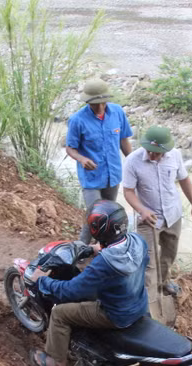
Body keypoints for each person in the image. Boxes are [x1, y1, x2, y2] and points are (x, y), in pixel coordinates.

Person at [27, 200, 148, 366]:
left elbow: (71, 291)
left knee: (60, 314)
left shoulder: (104, 264)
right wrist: (102, 249)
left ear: (98, 230)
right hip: (139, 304)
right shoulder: (138, 241)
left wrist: (42, 281)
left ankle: (56, 362)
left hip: (115, 314)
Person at [123, 125, 192, 304]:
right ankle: (148, 304)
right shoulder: (133, 161)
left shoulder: (175, 156)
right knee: (148, 263)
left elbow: (184, 180)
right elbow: (128, 191)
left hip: (172, 214)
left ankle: (163, 283)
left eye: (157, 153)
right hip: (147, 219)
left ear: (166, 150)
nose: (152, 156)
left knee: (169, 254)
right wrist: (142, 209)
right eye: (149, 151)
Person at [65, 78, 133, 243]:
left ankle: (104, 248)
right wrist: (82, 159)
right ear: (88, 101)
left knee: (110, 215)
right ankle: (81, 248)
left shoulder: (117, 112)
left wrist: (133, 163)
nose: (100, 107)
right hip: (91, 178)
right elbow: (70, 148)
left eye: (103, 103)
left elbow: (123, 140)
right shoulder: (77, 120)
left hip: (113, 175)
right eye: (96, 104)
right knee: (94, 215)